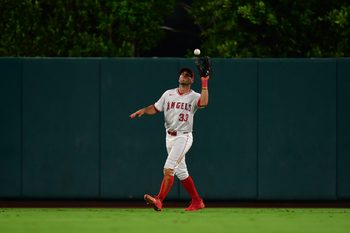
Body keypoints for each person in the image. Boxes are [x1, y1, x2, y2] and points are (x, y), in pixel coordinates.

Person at [129, 67, 209, 211]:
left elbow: (203, 103)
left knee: (169, 168)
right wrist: (144, 111)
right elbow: (155, 107)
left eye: (187, 75)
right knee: (181, 172)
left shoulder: (194, 96)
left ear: (192, 80)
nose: (184, 76)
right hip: (169, 137)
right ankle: (197, 201)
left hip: (183, 136)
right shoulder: (168, 94)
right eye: (182, 74)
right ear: (178, 78)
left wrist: (204, 83)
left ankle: (159, 200)